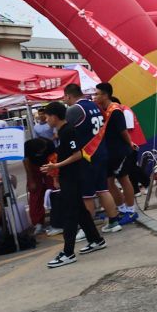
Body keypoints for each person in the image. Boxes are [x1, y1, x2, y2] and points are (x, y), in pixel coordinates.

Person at [41, 101, 105, 268]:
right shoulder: (62, 132)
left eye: (47, 116)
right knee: (80, 211)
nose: (46, 119)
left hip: (73, 177)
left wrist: (56, 166)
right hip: (69, 176)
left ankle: (68, 252)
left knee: (69, 214)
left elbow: (78, 154)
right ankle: (96, 240)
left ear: (54, 117)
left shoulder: (68, 131)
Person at [63, 82, 121, 233]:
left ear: (69, 96)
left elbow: (66, 130)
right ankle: (114, 221)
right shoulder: (95, 105)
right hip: (101, 151)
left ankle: (88, 230)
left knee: (87, 194)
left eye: (65, 98)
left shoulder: (75, 109)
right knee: (103, 188)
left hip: (88, 155)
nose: (65, 101)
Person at [94, 82, 139, 224]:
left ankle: (131, 211)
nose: (95, 97)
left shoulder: (115, 110)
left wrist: (130, 144)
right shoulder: (102, 110)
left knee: (124, 179)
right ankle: (122, 209)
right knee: (109, 182)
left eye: (97, 94)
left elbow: (123, 131)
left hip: (120, 152)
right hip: (108, 153)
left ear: (106, 95)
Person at [24, 136, 56, 235]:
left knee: (54, 191)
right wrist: (31, 179)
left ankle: (57, 220)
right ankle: (38, 223)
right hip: (33, 167)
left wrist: (55, 178)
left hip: (49, 164)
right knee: (35, 194)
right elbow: (26, 162)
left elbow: (54, 160)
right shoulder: (28, 146)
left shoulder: (49, 144)